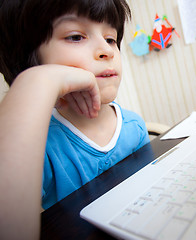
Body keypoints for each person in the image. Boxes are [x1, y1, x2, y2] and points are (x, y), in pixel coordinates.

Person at [0, 0, 150, 237]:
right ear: (31, 59)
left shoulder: (135, 126)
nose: (107, 50)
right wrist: (35, 82)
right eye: (75, 37)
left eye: (111, 39)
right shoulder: (40, 146)